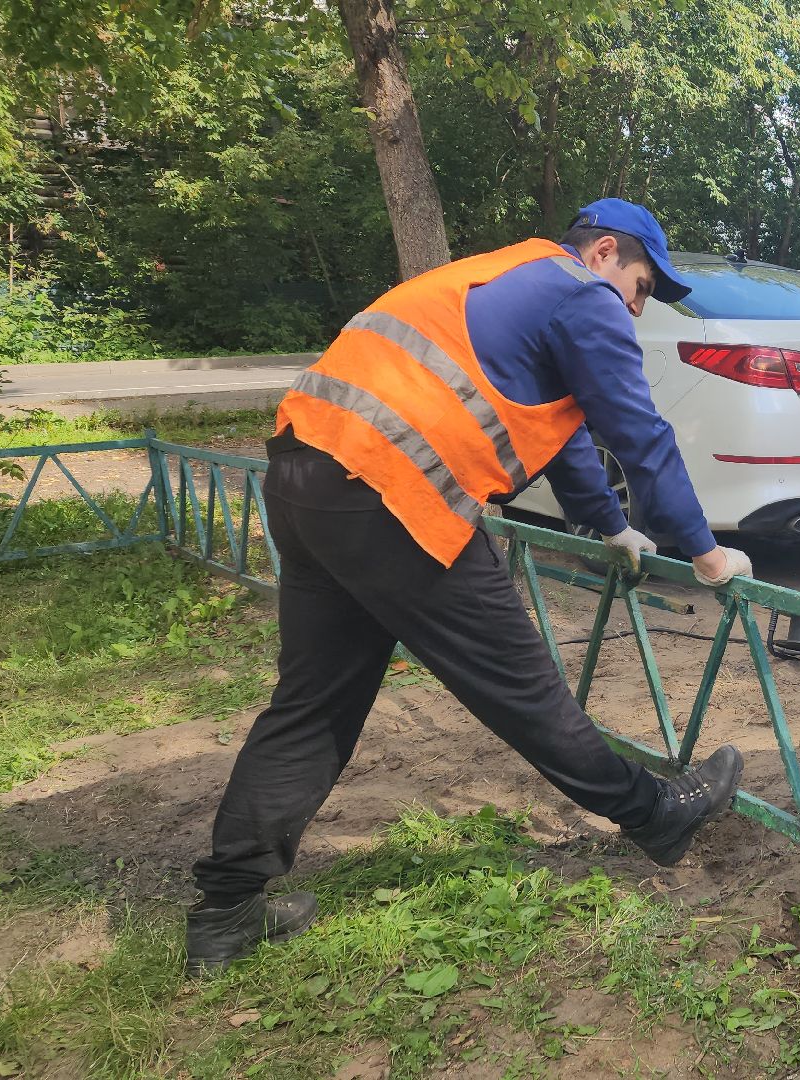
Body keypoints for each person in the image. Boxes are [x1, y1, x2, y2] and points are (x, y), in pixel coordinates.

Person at [186, 200, 752, 974]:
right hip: (392, 494)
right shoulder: (585, 296)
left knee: (312, 702)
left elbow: (567, 434)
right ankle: (655, 814)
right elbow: (637, 430)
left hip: (304, 470)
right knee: (524, 688)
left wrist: (609, 525)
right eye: (643, 285)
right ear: (604, 254)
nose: (639, 306)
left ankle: (226, 910)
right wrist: (705, 551)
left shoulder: (506, 274)